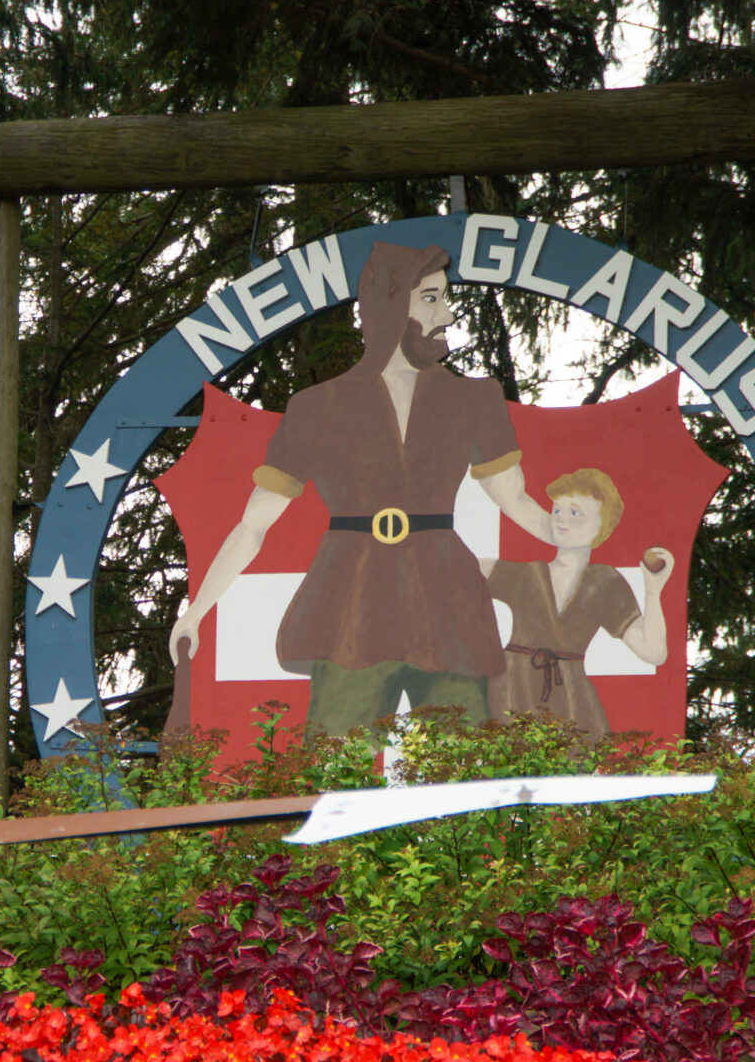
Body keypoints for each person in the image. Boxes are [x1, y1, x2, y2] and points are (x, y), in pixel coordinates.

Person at [168, 240, 554, 736]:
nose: (449, 314)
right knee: (331, 764)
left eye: (445, 297)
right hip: (352, 599)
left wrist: (579, 533)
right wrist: (196, 611)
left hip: (448, 602)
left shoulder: (474, 398)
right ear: (392, 305)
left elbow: (515, 499)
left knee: (468, 764)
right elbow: (254, 523)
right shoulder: (316, 407)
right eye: (432, 298)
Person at [481, 467, 674, 738]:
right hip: (513, 691)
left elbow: (653, 653)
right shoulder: (527, 574)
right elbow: (460, 567)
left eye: (575, 513)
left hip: (571, 701)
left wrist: (653, 590)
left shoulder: (605, 582)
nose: (561, 520)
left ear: (601, 523)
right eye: (557, 511)